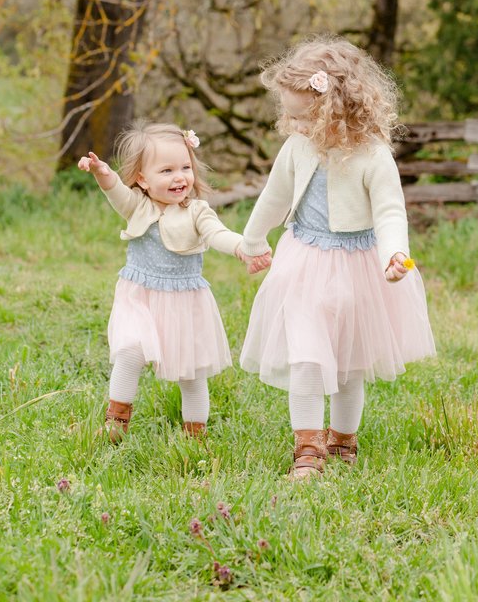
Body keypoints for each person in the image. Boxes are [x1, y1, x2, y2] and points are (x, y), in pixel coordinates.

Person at [239, 36, 435, 479]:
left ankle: (343, 439)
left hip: (358, 269)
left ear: (336, 108)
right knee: (306, 358)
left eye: (303, 116)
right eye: (288, 115)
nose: (294, 124)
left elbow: (388, 211)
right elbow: (274, 198)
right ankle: (307, 449)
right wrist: (252, 240)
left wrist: (395, 254)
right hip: (304, 263)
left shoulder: (373, 156)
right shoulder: (296, 148)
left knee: (349, 366)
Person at [78, 121, 270, 442]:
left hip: (184, 303)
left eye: (185, 167)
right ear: (143, 179)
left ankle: (195, 435)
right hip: (139, 297)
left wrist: (243, 248)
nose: (179, 176)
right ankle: (116, 423)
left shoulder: (197, 211)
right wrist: (101, 171)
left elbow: (217, 234)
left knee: (191, 374)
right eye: (166, 170)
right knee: (129, 351)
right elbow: (114, 189)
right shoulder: (136, 205)